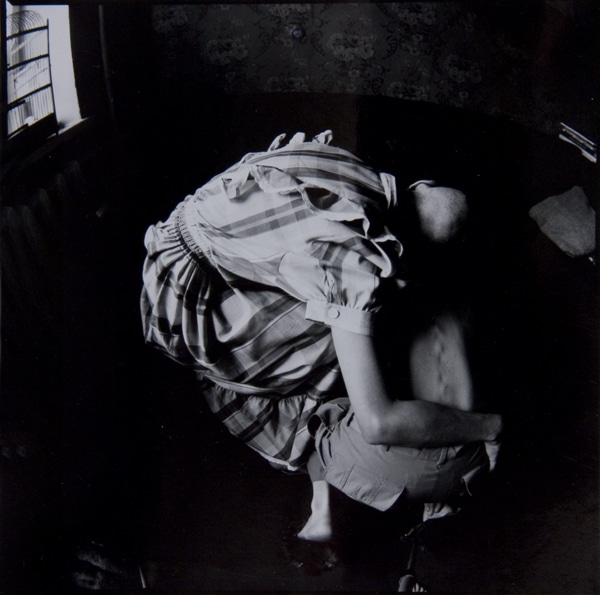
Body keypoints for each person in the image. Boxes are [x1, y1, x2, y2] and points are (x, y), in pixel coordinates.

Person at [140, 130, 502, 551]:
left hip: (183, 266)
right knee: (433, 445)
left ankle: (339, 481)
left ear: (420, 186)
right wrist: (491, 427)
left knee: (411, 330)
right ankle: (339, 475)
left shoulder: (348, 172)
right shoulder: (350, 264)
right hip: (212, 332)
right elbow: (379, 423)